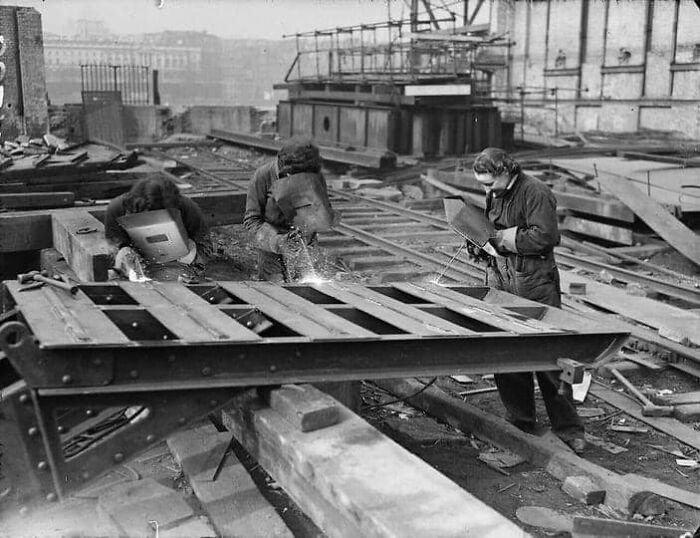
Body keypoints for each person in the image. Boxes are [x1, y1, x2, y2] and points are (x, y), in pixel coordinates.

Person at [472, 147, 586, 455]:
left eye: (489, 184)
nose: (486, 190)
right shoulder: (496, 191)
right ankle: (521, 419)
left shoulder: (535, 192)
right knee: (507, 351)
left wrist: (501, 241)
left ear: (506, 172)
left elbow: (545, 236)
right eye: (482, 184)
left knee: (551, 355)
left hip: (536, 282)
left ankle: (570, 428)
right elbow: (493, 230)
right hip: (505, 280)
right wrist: (480, 244)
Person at [243, 138, 337, 282]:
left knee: (309, 291)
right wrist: (278, 242)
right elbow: (252, 221)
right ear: (284, 168)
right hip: (272, 247)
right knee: (276, 296)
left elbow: (320, 211)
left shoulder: (315, 175)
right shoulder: (262, 176)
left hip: (305, 245)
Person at [104, 177, 210, 279]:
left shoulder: (187, 208)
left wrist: (192, 257)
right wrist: (122, 251)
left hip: (178, 260)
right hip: (135, 258)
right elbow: (113, 243)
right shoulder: (118, 208)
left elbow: (204, 244)